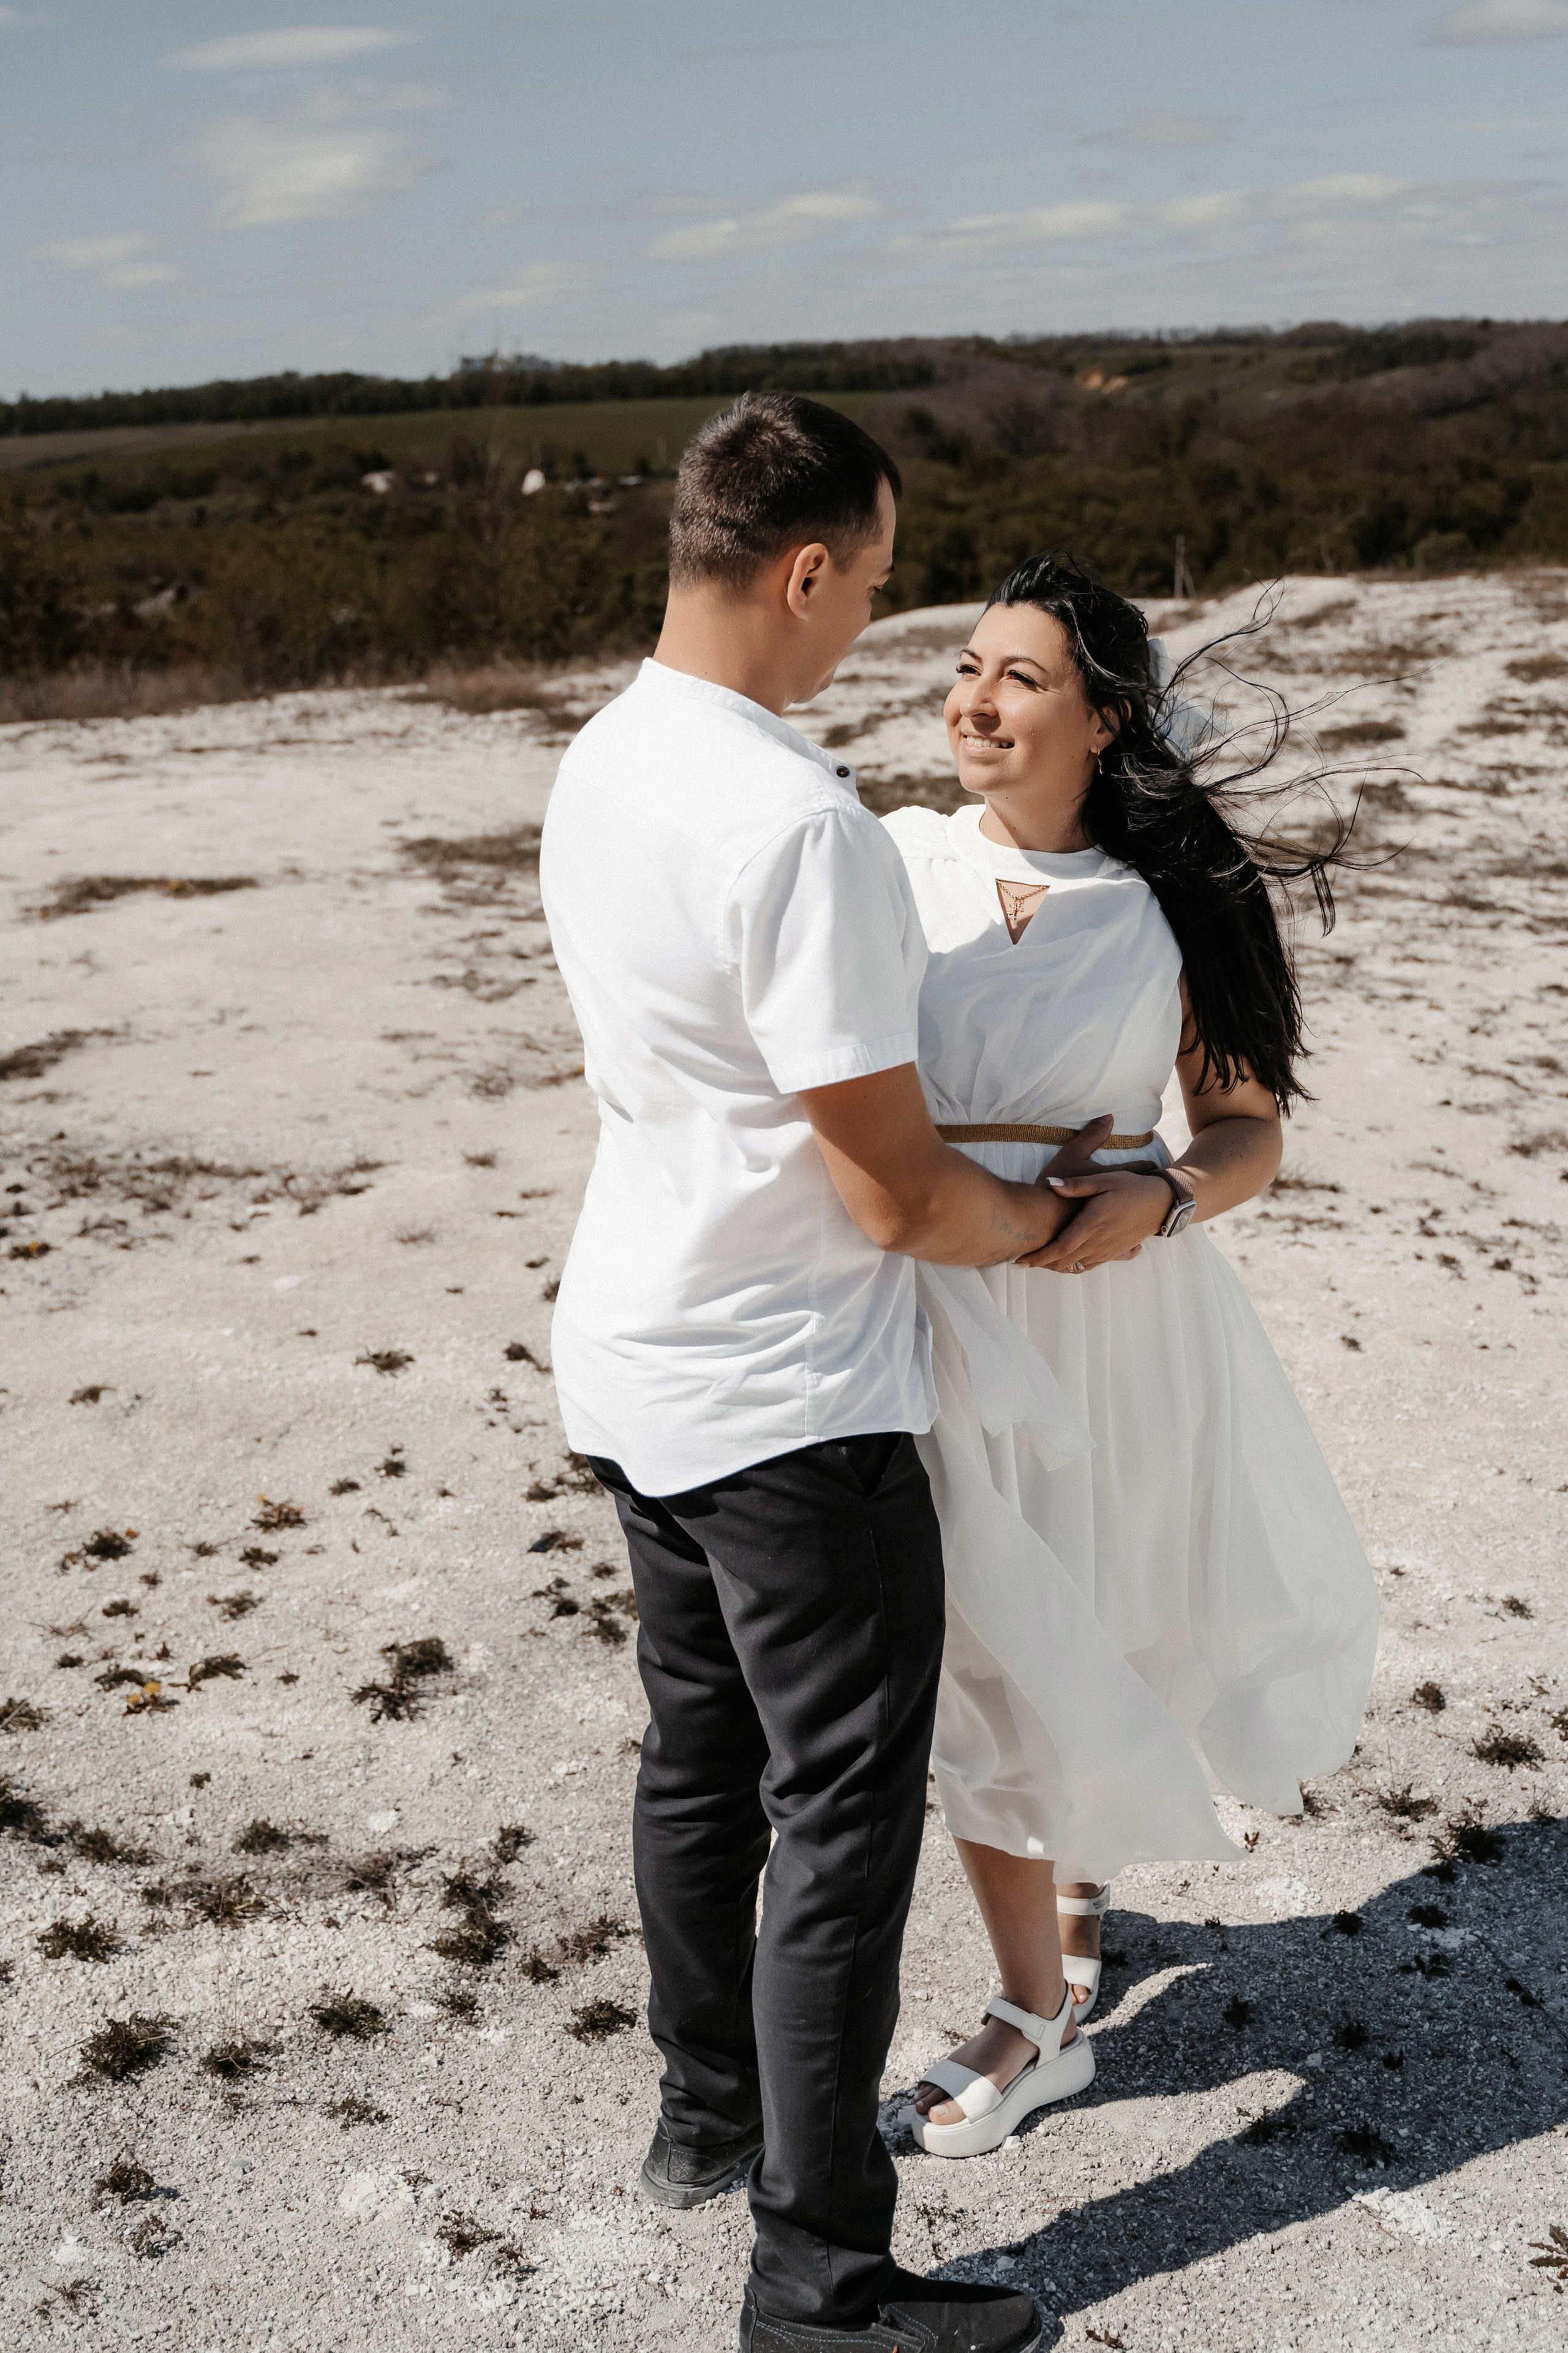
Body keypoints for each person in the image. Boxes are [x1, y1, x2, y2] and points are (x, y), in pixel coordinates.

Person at [540, 399, 1090, 2353]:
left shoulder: (606, 756)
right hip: (789, 1397)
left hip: (635, 1356)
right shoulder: (798, 822)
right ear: (799, 569)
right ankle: (824, 2281)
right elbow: (892, 1187)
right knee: (839, 1822)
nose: (873, 614)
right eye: (870, 577)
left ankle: (708, 2122)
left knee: (700, 1764)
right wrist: (1066, 1228)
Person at [870, 554, 1379, 2159]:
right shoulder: (886, 861)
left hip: (1112, 1312)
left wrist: (1163, 1195)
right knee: (975, 1650)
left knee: (1080, 1622)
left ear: (1106, 715)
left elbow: (1246, 1134)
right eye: (965, 666)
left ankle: (1042, 2001)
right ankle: (1043, 1999)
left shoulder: (1183, 900)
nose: (973, 699)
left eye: (1019, 677)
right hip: (928, 1304)